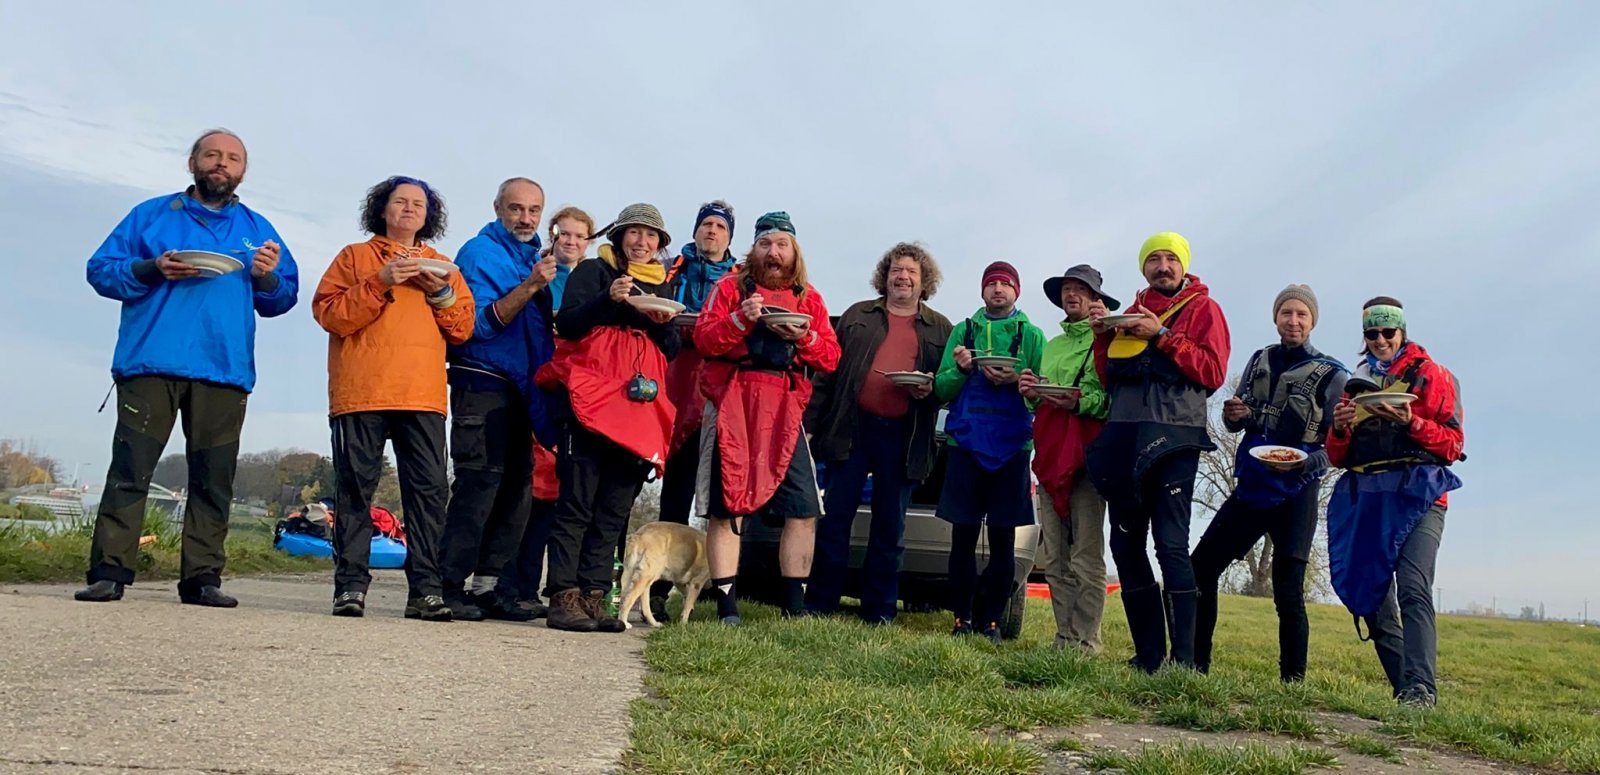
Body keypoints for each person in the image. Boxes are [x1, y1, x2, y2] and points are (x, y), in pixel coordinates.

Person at [77, 128, 299, 607]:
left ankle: (202, 579)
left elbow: (284, 298)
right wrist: (150, 268)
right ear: (192, 162)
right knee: (130, 470)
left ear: (243, 171)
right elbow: (100, 271)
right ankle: (109, 572)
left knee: (213, 479)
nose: (222, 163)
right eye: (212, 155)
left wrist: (266, 276)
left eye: (233, 158)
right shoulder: (151, 215)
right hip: (150, 362)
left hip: (224, 367)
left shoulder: (258, 228)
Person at [312, 176, 474, 621]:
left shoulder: (443, 266)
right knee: (354, 490)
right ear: (381, 209)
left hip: (422, 394)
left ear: (429, 216)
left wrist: (439, 291)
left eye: (418, 204)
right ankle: (350, 587)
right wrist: (379, 281)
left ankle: (426, 591)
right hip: (360, 392)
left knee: (429, 493)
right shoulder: (354, 257)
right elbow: (330, 315)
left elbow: (463, 328)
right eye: (400, 201)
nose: (409, 209)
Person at [1086, 232, 1230, 671]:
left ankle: (1183, 661)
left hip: (1175, 436)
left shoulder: (1205, 309)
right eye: (1154, 259)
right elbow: (1108, 376)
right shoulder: (1127, 313)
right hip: (1124, 434)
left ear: (1183, 266)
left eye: (1171, 259)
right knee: (1126, 544)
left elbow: (1213, 372)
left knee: (1170, 544)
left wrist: (1162, 334)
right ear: (1143, 267)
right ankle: (1148, 656)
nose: (1162, 266)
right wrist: (1100, 336)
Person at [535, 203, 681, 633]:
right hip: (590, 404)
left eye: (651, 236)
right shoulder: (593, 272)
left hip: (637, 412)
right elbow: (568, 324)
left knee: (614, 510)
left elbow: (672, 347)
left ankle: (595, 596)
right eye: (634, 233)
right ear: (619, 237)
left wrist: (659, 321)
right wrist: (608, 300)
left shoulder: (663, 285)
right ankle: (563, 597)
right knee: (576, 504)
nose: (642, 242)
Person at [1191, 285, 1347, 681]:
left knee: (1288, 592)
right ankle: (1195, 664)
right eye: (1286, 313)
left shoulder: (1333, 374)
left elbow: (1341, 444)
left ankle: (1292, 682)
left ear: (1312, 321)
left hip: (1298, 490)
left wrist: (1308, 463)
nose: (1293, 321)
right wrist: (1233, 415)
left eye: (1301, 314)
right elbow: (1234, 420)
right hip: (1253, 483)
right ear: (1275, 317)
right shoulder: (1259, 359)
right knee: (1201, 568)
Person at [693, 212, 841, 623]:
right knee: (726, 506)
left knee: (804, 507)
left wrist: (804, 336)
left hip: (786, 409)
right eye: (765, 244)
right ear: (753, 248)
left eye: (781, 245)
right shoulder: (729, 288)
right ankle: (727, 608)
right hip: (734, 401)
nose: (773, 253)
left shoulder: (809, 297)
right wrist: (741, 319)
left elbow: (831, 356)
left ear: (794, 251)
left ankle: (794, 608)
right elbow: (704, 339)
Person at [804, 242, 952, 624]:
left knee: (890, 525)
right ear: (884, 277)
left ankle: (880, 611)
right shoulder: (857, 315)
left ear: (924, 281)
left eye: (911, 271)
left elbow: (949, 385)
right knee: (835, 519)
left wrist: (930, 389)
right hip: (852, 428)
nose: (903, 277)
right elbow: (826, 374)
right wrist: (810, 425)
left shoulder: (941, 328)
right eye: (896, 270)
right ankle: (819, 603)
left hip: (905, 435)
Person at [1326, 297, 1464, 707]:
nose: (1381, 340)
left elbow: (1453, 445)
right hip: (1368, 496)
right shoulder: (1355, 382)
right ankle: (1406, 689)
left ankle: (1423, 688)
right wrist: (1339, 428)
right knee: (1371, 594)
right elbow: (1337, 457)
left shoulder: (1433, 376)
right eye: (1372, 333)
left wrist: (1411, 421)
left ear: (1402, 332)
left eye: (1388, 332)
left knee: (1413, 586)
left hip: (1421, 492)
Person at [437, 178, 559, 621]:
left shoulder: (530, 257)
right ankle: (447, 587)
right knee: (478, 486)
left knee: (516, 491)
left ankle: (488, 588)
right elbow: (477, 324)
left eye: (534, 210)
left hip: (521, 387)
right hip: (482, 381)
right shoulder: (479, 253)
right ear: (497, 208)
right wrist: (530, 286)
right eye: (516, 208)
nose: (526, 218)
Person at [932, 261, 1047, 642]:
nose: (998, 289)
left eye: (1005, 284)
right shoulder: (963, 331)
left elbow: (1043, 398)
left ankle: (993, 621)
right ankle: (961, 619)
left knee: (1003, 540)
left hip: (1013, 448)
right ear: (982, 291)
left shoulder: (1033, 336)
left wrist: (1020, 381)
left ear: (1017, 291)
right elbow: (941, 389)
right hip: (965, 444)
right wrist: (962, 370)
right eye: (992, 283)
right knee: (962, 538)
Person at [497, 205, 595, 617]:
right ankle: (509, 583)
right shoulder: (537, 272)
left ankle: (532, 586)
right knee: (527, 488)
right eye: (564, 233)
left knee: (555, 493)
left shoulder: (592, 280)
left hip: (572, 388)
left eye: (579, 236)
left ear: (589, 242)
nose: (571, 241)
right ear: (553, 235)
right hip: (537, 378)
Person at [1018, 264, 1115, 652]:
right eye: (1067, 289)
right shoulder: (1053, 345)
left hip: (1086, 457)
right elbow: (1041, 400)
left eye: (1081, 290)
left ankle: (1087, 642)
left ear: (1095, 299)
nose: (1071, 295)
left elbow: (1107, 399)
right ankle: (1064, 638)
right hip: (1050, 454)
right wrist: (1031, 391)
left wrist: (1077, 401)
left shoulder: (1106, 339)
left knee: (1086, 556)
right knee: (1055, 557)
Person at [651, 200, 738, 620]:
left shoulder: (741, 279)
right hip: (673, 388)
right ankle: (654, 589)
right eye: (706, 224)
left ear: (729, 236)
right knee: (674, 492)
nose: (712, 231)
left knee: (724, 498)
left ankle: (715, 583)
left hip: (721, 395)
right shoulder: (672, 269)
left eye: (720, 226)